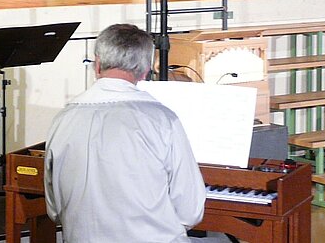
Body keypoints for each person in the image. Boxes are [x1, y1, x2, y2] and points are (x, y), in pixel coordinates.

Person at [45, 24, 205, 243]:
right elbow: (190, 211)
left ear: (98, 64)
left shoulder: (62, 120)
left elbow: (54, 210)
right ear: (146, 70)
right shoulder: (162, 120)